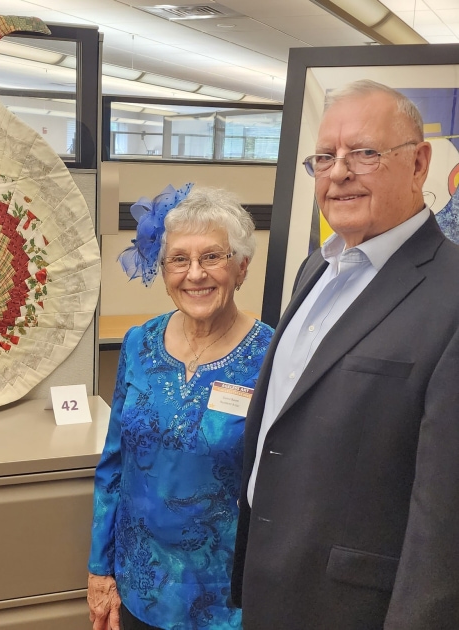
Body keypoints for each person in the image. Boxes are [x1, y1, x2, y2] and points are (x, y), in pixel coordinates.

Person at [231, 79, 459, 629]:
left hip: (357, 608)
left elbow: (446, 513)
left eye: (364, 153)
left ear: (419, 163)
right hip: (272, 584)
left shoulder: (451, 295)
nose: (338, 172)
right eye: (324, 157)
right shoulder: (317, 270)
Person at [88, 184, 274, 630]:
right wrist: (100, 569)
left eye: (212, 256)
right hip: (138, 584)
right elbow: (114, 463)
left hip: (224, 600)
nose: (195, 274)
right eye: (179, 259)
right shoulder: (139, 344)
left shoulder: (273, 356)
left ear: (242, 267)